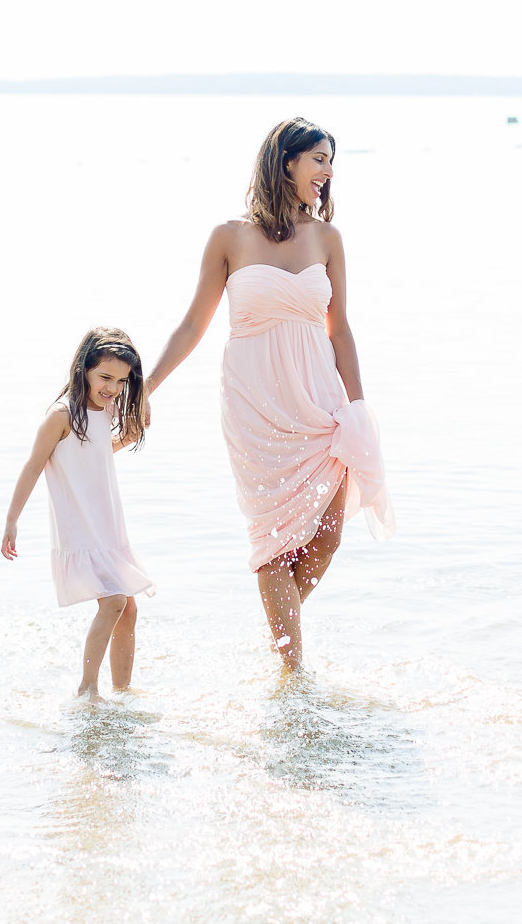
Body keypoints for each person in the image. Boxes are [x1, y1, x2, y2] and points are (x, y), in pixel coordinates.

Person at [144, 117, 394, 673]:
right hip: (256, 406)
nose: (327, 172)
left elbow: (341, 330)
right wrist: (147, 388)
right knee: (274, 541)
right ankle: (291, 674)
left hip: (321, 400)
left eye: (331, 161)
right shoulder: (228, 238)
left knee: (326, 536)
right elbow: (192, 326)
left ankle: (279, 640)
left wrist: (357, 411)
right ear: (287, 162)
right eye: (319, 159)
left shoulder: (328, 239)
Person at [1, 327, 156, 703]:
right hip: (79, 524)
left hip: (106, 522)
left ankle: (123, 691)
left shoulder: (107, 408)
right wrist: (12, 521)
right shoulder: (62, 414)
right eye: (105, 377)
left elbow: (96, 454)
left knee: (128, 607)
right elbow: (33, 466)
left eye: (121, 381)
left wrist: (128, 436)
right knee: (114, 601)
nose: (113, 387)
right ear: (84, 368)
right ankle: (87, 689)